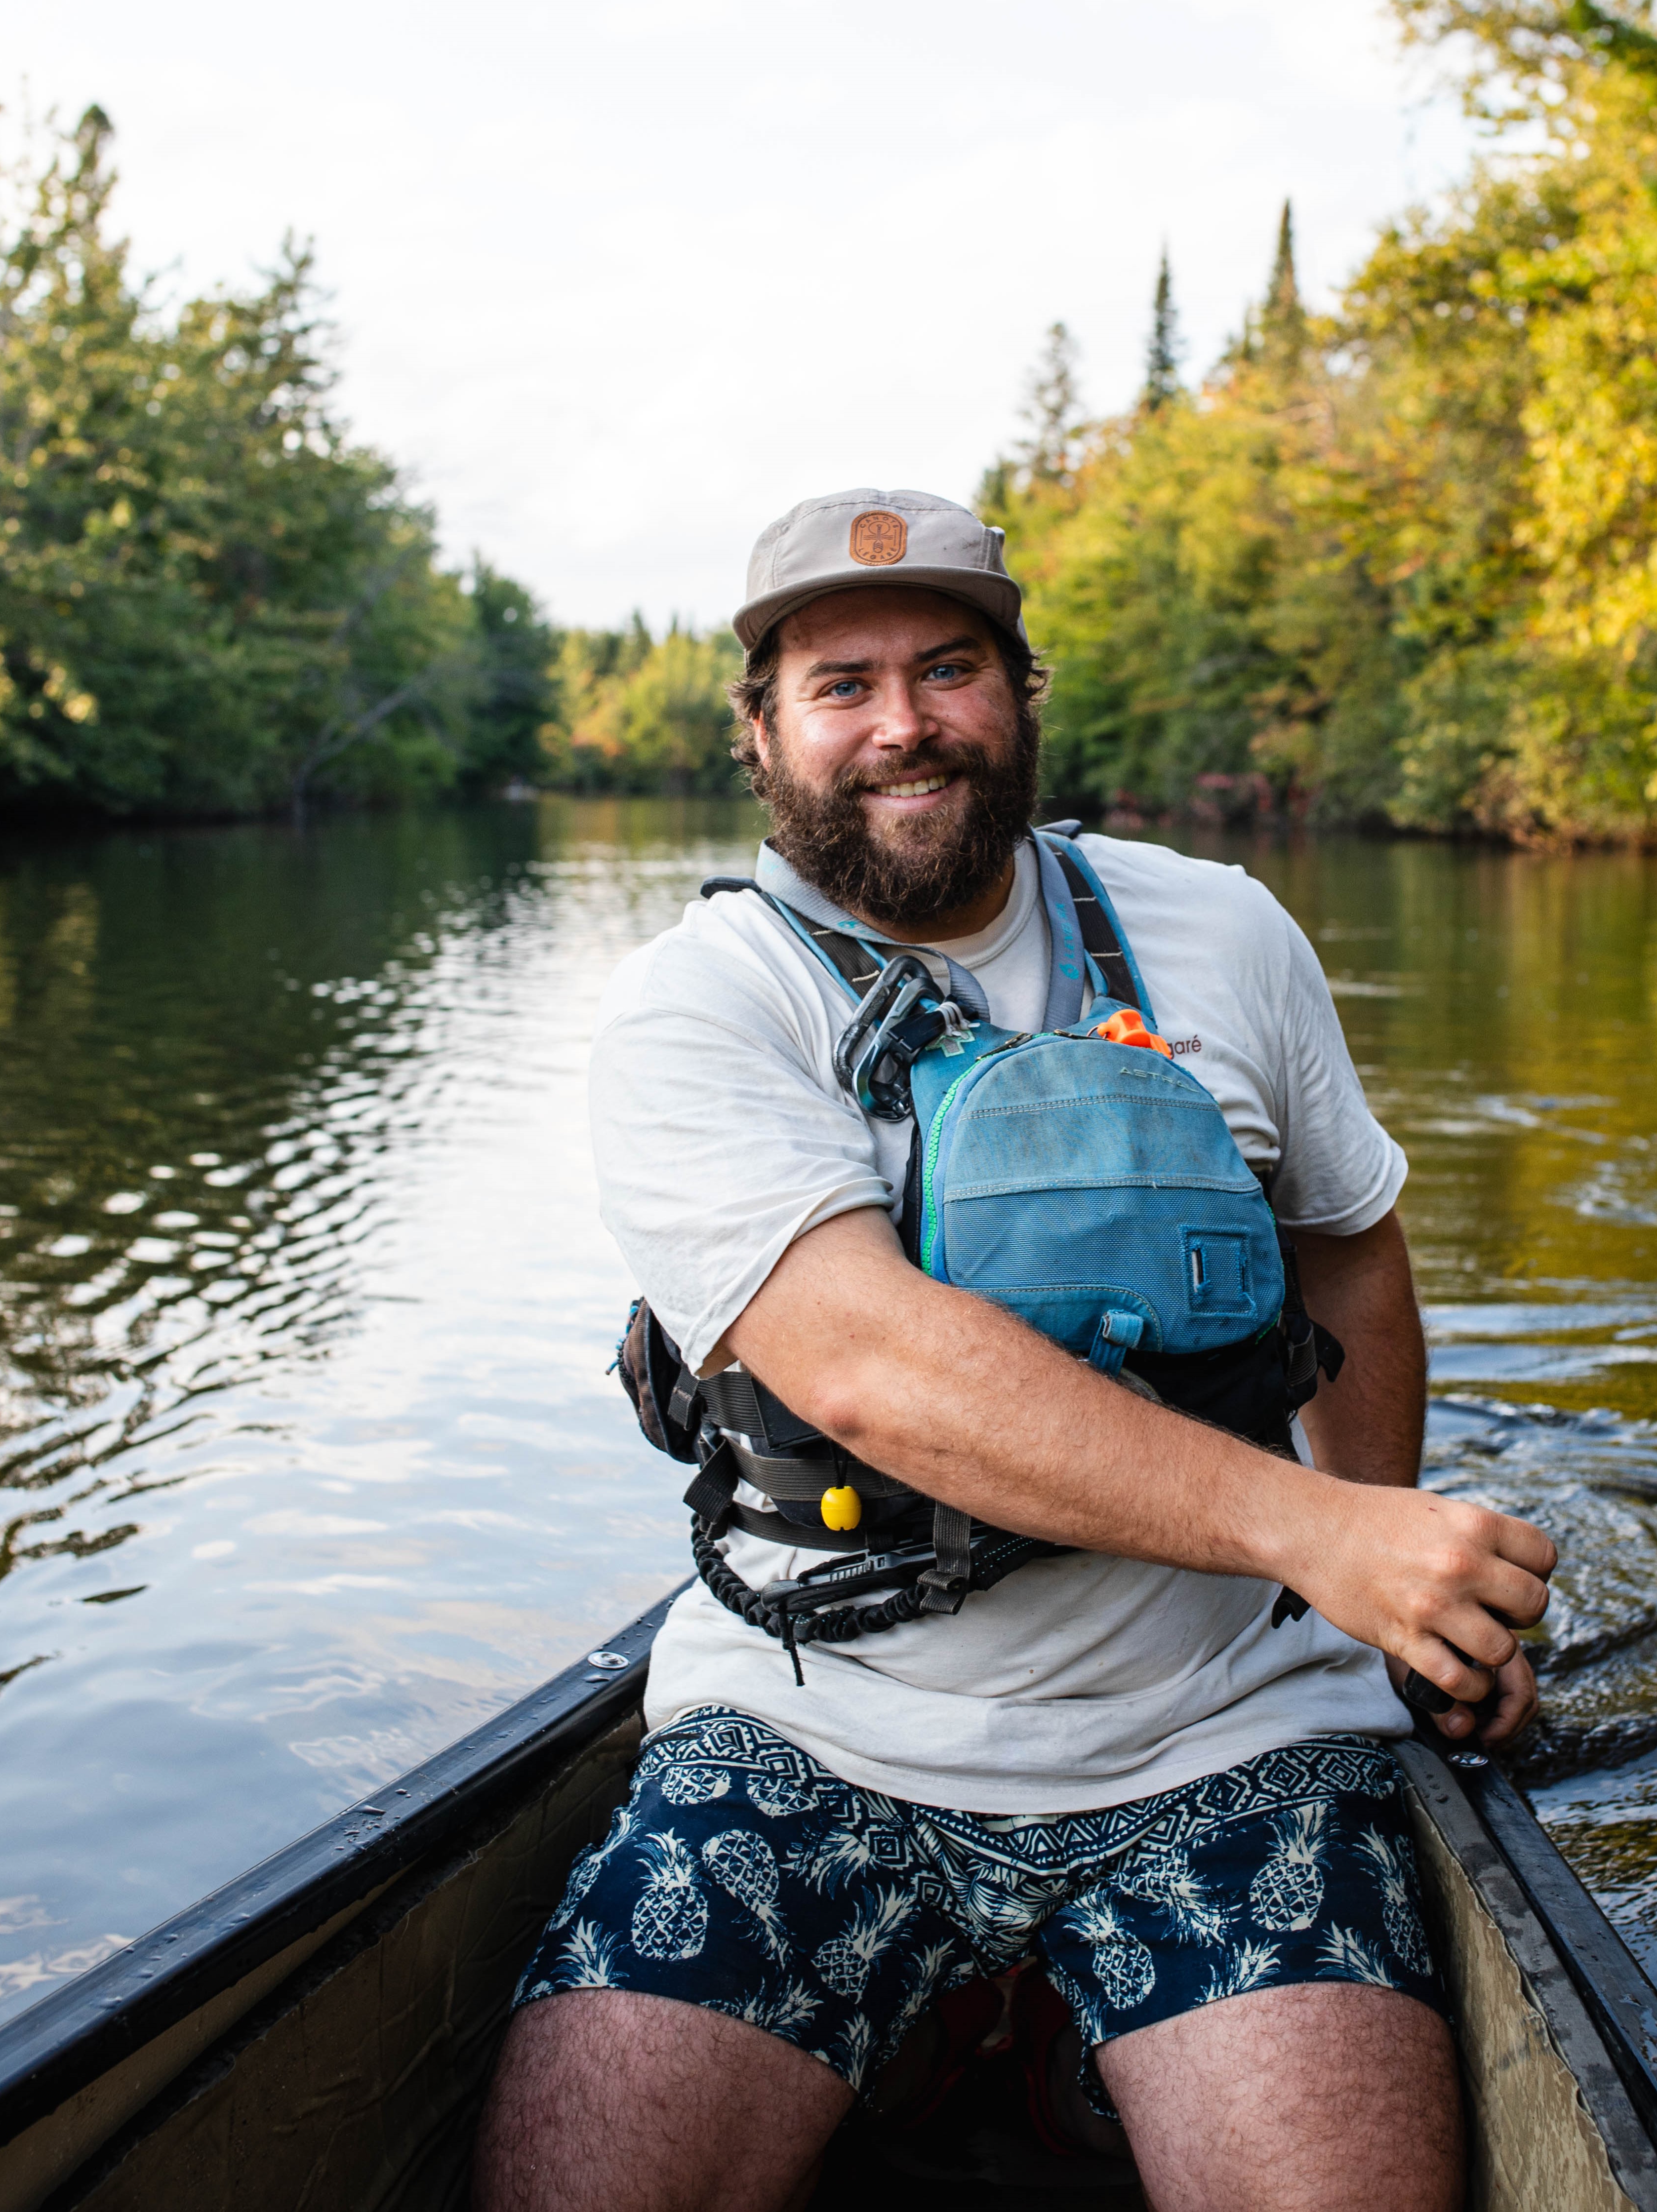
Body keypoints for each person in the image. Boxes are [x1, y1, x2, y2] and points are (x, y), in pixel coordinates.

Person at [475, 489, 1556, 2212]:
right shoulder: (703, 1006)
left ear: (1024, 694)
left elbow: (1347, 1243)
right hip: (814, 1731)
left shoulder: (1227, 931)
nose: (903, 722)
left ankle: (1019, 2054)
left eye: (951, 667)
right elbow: (865, 1367)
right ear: (760, 737)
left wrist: (1398, 1574)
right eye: (841, 684)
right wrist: (1319, 1532)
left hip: (1228, 1736)